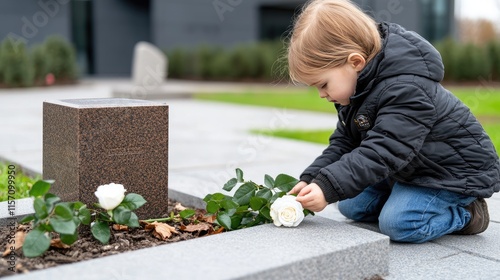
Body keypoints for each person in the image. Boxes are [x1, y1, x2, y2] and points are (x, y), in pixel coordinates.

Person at [287, 0, 500, 243]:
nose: (322, 94)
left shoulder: (407, 89)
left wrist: (328, 187)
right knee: (349, 205)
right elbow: (344, 142)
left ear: (355, 62)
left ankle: (468, 214)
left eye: (323, 84)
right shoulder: (357, 90)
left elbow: (382, 151)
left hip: (450, 174)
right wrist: (313, 178)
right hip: (409, 166)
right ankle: (403, 199)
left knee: (399, 224)